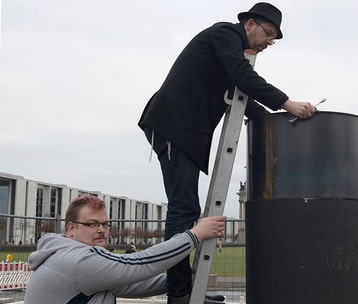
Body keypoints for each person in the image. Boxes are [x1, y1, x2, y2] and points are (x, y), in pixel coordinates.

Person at [137, 3, 317, 304]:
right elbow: (244, 79)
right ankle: (179, 293)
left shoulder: (229, 52)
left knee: (187, 209)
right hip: (172, 126)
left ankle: (187, 289)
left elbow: (240, 95)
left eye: (273, 39)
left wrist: (266, 120)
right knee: (183, 209)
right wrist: (287, 103)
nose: (268, 43)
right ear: (249, 24)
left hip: (185, 132)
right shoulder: (224, 34)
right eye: (267, 34)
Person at [24, 195, 225, 304]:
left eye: (105, 224)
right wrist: (196, 234)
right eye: (92, 224)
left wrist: (183, 280)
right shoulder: (78, 261)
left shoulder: (64, 255)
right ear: (71, 228)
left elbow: (130, 285)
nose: (102, 230)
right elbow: (139, 264)